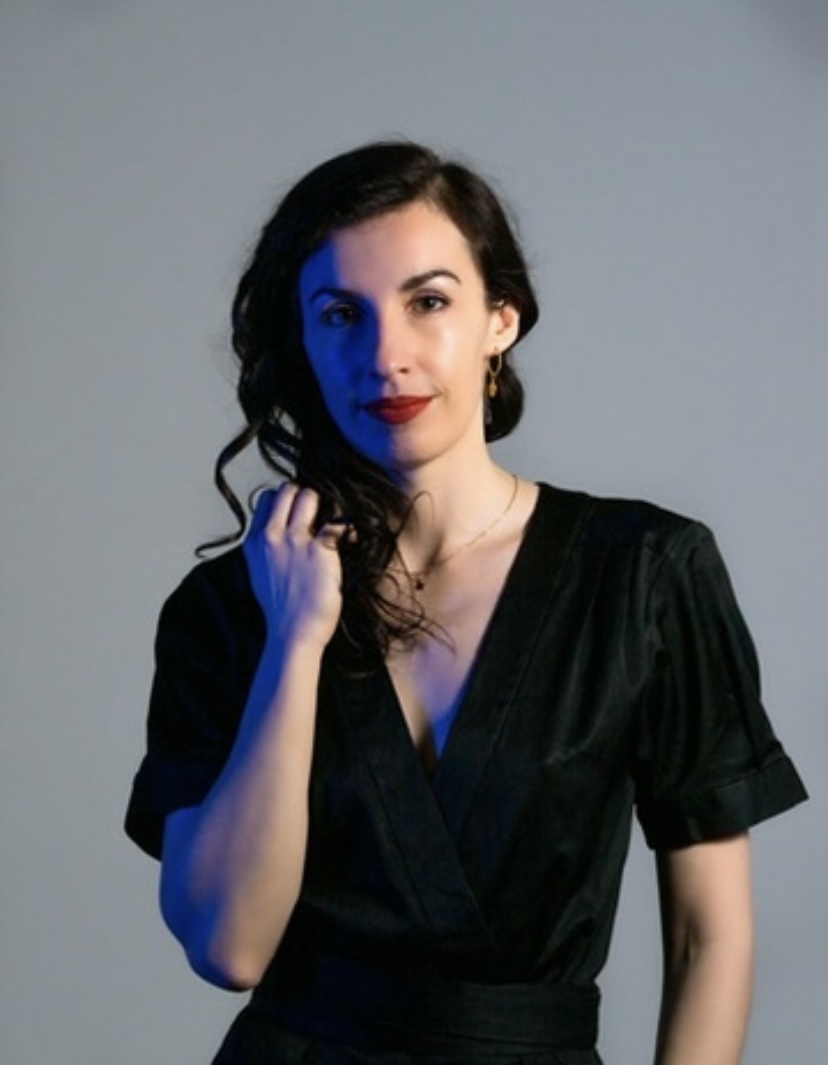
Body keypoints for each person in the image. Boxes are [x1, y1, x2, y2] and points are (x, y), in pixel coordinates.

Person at [125, 141, 807, 1065]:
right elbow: (228, 947)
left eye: (429, 302)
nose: (386, 356)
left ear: (501, 319)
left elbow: (708, 937)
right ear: (303, 342)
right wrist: (294, 639)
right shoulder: (230, 608)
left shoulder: (645, 572)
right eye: (341, 314)